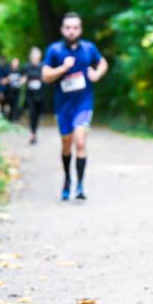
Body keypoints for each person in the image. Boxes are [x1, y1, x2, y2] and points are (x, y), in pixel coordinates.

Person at [41, 13, 108, 201]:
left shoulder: (88, 48)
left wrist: (97, 74)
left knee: (80, 142)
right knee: (66, 145)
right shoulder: (54, 50)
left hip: (83, 103)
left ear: (80, 29)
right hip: (63, 106)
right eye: (68, 27)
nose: (71, 31)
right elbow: (45, 76)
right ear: (62, 29)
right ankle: (67, 179)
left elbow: (102, 62)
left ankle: (79, 185)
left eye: (75, 27)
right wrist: (62, 68)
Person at [21, 46, 45, 144]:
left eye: (37, 54)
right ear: (31, 56)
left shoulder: (43, 65)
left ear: (39, 56)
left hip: (40, 93)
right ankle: (32, 133)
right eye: (33, 54)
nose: (35, 56)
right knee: (32, 113)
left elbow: (46, 78)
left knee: (38, 114)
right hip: (30, 94)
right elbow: (24, 77)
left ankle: (35, 131)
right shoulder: (27, 66)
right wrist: (23, 80)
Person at [6, 57, 24, 123]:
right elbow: (5, 80)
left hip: (17, 90)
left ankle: (14, 118)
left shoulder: (20, 71)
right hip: (10, 90)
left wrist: (21, 82)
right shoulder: (9, 70)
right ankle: (10, 118)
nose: (15, 63)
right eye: (14, 62)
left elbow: (23, 78)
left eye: (16, 62)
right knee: (10, 104)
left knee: (15, 104)